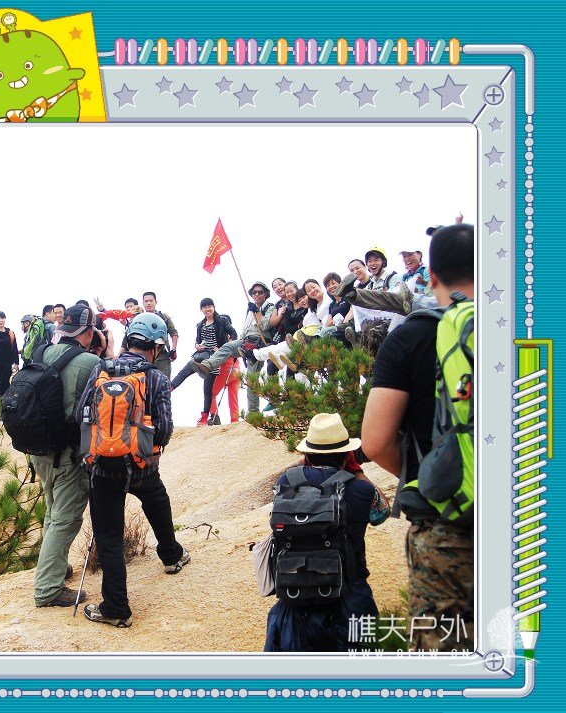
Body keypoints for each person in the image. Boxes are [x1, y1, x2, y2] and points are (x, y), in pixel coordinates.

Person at [361, 223, 475, 652]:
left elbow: (375, 441)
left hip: (446, 530)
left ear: (432, 276)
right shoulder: (529, 327)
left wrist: (428, 476)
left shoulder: (409, 336)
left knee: (445, 663)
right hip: (530, 522)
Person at [79, 313, 190, 628]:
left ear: (128, 340)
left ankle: (115, 608)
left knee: (109, 536)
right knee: (157, 500)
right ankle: (171, 556)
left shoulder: (101, 369)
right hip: (141, 466)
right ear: (156, 347)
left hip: (103, 468)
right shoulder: (157, 378)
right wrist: (143, 446)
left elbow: (80, 414)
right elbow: (164, 429)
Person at [264, 413, 384, 651]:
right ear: (346, 455)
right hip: (350, 599)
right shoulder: (361, 489)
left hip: (294, 601)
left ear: (307, 454)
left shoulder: (285, 482)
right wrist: (357, 472)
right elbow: (381, 514)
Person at [32, 305, 102, 607]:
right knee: (66, 518)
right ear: (88, 332)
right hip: (67, 452)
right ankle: (48, 589)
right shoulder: (90, 361)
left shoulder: (41, 352)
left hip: (38, 449)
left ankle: (55, 568)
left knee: (52, 511)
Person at [191, 281, 278, 414]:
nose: (256, 295)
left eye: (260, 292)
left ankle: (253, 412)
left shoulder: (269, 307)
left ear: (265, 294)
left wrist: (257, 312)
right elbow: (246, 327)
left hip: (259, 343)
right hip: (246, 341)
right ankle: (206, 366)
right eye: (254, 292)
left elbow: (266, 326)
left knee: (251, 377)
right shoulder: (250, 308)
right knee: (228, 347)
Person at [171, 298, 237, 425]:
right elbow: (197, 340)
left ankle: (205, 417)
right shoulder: (200, 324)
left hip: (214, 358)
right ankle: (169, 389)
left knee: (207, 389)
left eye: (209, 306)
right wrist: (197, 345)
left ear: (214, 307)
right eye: (204, 307)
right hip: (201, 354)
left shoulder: (222, 321)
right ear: (201, 309)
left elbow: (234, 334)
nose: (207, 309)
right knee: (184, 371)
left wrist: (224, 348)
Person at [141, 291, 178, 379]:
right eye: (146, 301)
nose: (148, 303)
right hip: (145, 357)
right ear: (143, 303)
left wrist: (173, 350)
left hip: (163, 356)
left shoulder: (164, 317)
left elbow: (173, 333)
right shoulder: (140, 318)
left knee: (164, 383)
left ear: (155, 302)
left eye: (151, 301)